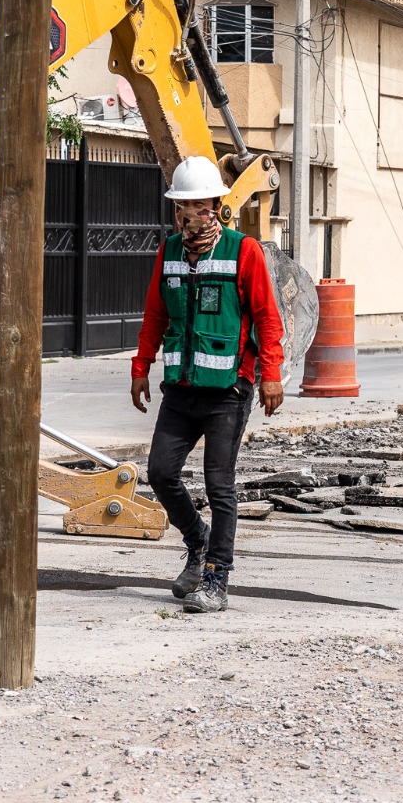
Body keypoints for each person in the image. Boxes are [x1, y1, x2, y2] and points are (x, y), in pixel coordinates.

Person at [131, 155, 285, 614]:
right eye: (180, 207)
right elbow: (156, 315)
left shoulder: (245, 251)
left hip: (228, 390)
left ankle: (216, 577)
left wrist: (271, 375)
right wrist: (141, 366)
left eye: (196, 206)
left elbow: (267, 319)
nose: (187, 216)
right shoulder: (169, 252)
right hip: (180, 390)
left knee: (220, 486)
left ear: (215, 206)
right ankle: (197, 543)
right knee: (160, 472)